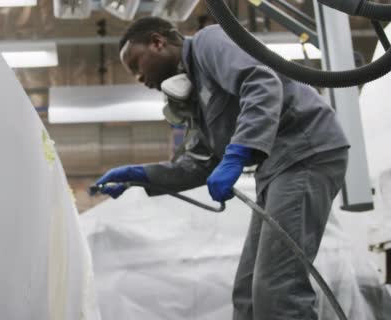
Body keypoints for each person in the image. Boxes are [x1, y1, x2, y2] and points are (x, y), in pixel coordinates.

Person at [93, 17, 350, 320]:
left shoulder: (209, 41)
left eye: (136, 64)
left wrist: (237, 153)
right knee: (247, 295)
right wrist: (142, 176)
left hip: (305, 151)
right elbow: (200, 162)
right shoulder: (196, 94)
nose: (138, 77)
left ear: (158, 42)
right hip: (278, 168)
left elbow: (261, 81)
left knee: (279, 289)